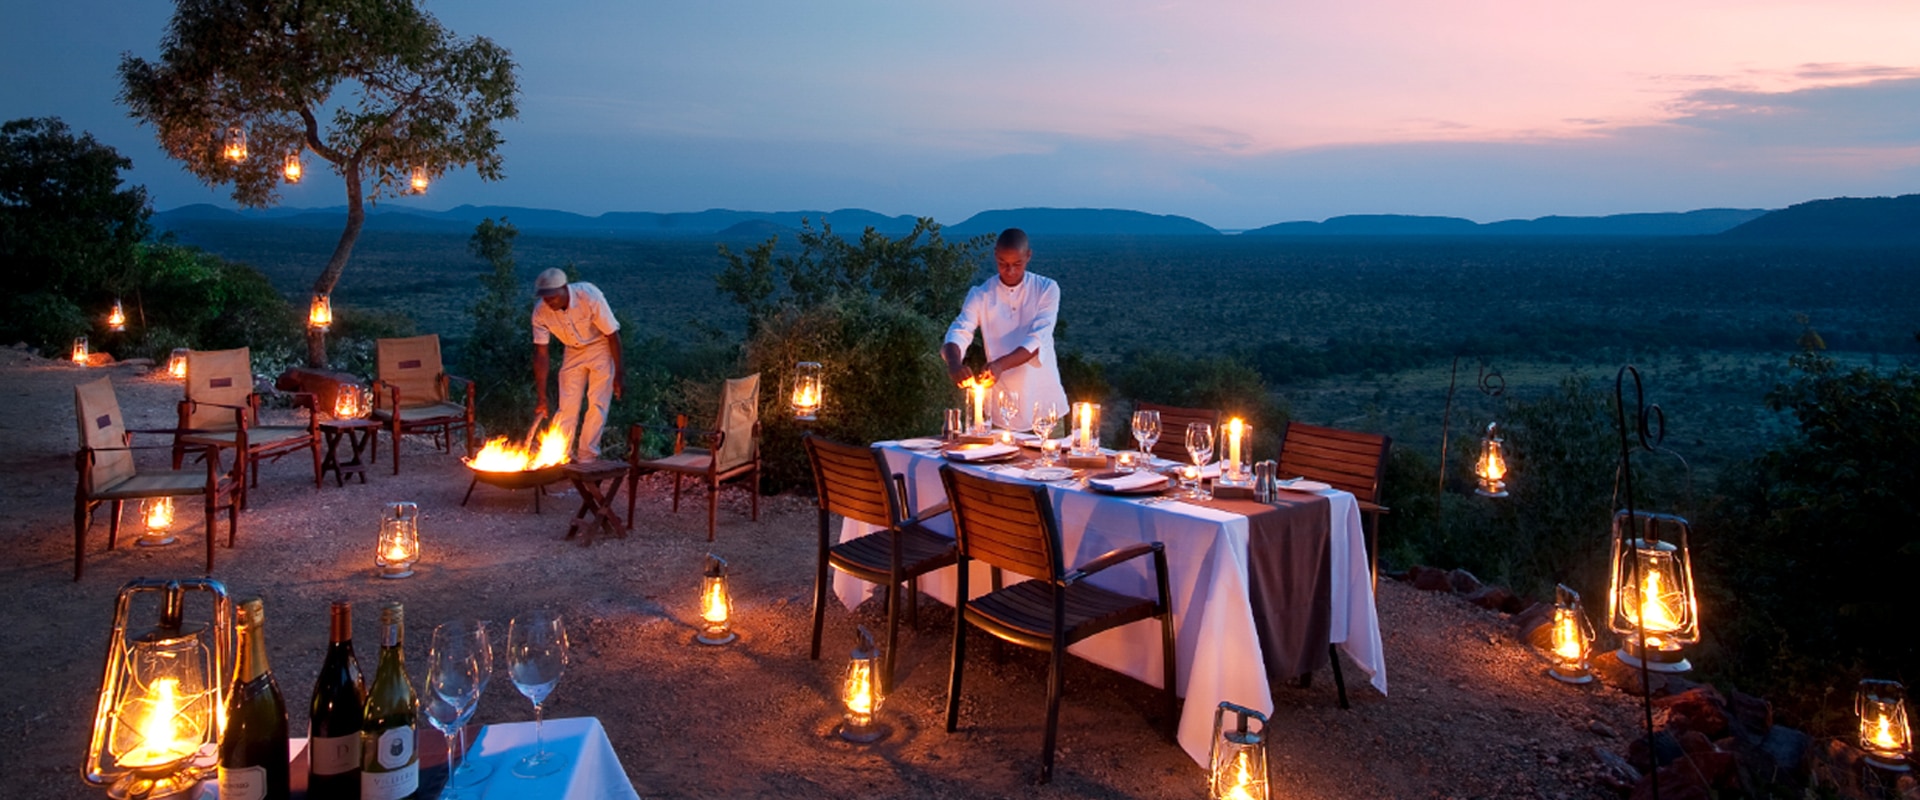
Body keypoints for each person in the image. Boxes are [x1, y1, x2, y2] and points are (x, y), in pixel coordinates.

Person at [941, 228, 1068, 431]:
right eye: (1003, 264)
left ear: (1028, 256)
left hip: (1046, 409)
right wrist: (955, 364)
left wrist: (999, 365)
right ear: (995, 256)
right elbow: (958, 331)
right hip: (1003, 413)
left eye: (1017, 264)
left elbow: (1037, 340)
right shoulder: (981, 294)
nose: (1010, 270)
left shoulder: (1046, 289)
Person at [531, 267, 624, 461]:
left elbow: (613, 335)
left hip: (600, 345)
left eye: (553, 297)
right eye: (545, 298)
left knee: (597, 403)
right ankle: (559, 455)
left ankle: (587, 456)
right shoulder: (541, 312)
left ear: (564, 288)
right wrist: (541, 397)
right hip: (572, 349)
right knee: (567, 405)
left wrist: (619, 375)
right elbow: (541, 354)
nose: (549, 302)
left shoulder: (589, 296)